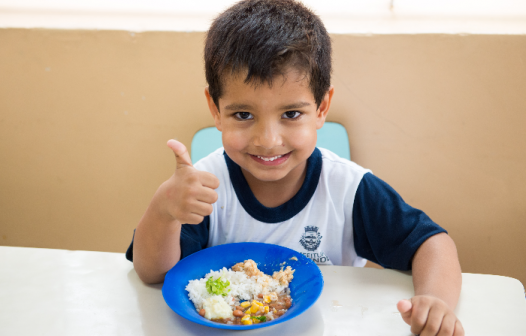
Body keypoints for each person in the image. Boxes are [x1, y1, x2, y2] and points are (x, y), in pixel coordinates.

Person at [126, 0, 464, 334]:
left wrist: (436, 300)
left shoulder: (347, 189)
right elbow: (152, 274)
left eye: (291, 114)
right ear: (215, 110)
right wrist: (163, 208)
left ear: (321, 108)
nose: (268, 140)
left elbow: (431, 243)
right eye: (243, 115)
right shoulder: (206, 186)